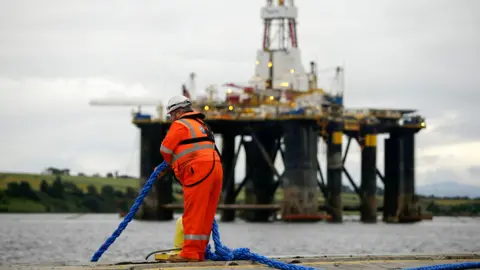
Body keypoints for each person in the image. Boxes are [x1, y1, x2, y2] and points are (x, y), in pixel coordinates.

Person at [159, 95, 223, 262]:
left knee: (193, 213)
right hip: (216, 168)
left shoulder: (180, 125)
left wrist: (168, 165)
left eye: (171, 114)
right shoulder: (202, 125)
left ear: (179, 112)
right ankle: (198, 252)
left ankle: (189, 253)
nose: (170, 118)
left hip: (199, 172)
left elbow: (165, 149)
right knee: (206, 214)